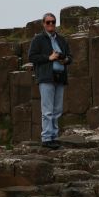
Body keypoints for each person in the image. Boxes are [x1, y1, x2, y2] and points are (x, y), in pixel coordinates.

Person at [27, 12, 72, 149]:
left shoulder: (62, 40)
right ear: (43, 24)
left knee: (57, 110)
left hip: (60, 77)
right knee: (47, 110)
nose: (51, 24)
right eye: (48, 22)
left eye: (53, 22)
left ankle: (54, 137)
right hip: (46, 77)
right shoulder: (38, 39)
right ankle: (46, 138)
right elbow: (32, 57)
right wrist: (49, 58)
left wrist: (65, 59)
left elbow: (70, 56)